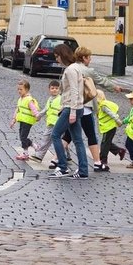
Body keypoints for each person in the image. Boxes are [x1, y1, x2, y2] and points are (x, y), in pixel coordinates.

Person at [58, 46, 122, 173]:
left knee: (68, 135)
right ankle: (96, 163)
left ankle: (56, 159)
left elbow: (62, 88)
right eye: (89, 57)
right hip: (85, 107)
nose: (90, 60)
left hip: (72, 106)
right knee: (89, 135)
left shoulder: (70, 68)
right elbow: (102, 81)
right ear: (84, 58)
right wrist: (114, 87)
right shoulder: (88, 71)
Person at [49, 44, 88, 179]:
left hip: (71, 108)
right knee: (78, 140)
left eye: (57, 57)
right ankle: (83, 171)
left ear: (62, 55)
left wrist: (71, 111)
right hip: (76, 107)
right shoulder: (76, 67)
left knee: (55, 135)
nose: (56, 60)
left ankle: (63, 167)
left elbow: (74, 91)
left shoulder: (71, 70)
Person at [30, 80, 61, 162]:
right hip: (51, 122)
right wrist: (39, 115)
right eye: (52, 88)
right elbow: (46, 109)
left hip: (57, 123)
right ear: (49, 89)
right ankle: (66, 156)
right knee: (57, 140)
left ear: (59, 90)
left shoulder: (61, 99)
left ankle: (39, 156)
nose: (54, 90)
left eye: (56, 88)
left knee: (46, 139)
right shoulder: (50, 99)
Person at [94, 89, 125, 171]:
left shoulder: (103, 106)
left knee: (104, 144)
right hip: (108, 127)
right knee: (106, 142)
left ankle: (103, 160)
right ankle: (120, 150)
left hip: (110, 127)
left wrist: (118, 121)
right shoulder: (100, 106)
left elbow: (111, 113)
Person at [10, 79, 39, 161]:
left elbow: (34, 109)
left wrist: (37, 116)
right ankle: (34, 146)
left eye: (21, 89)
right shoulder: (20, 99)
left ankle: (26, 153)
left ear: (26, 90)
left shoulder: (29, 99)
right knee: (22, 136)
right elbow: (18, 110)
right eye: (18, 89)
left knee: (23, 137)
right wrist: (13, 119)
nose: (19, 91)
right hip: (22, 121)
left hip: (27, 121)